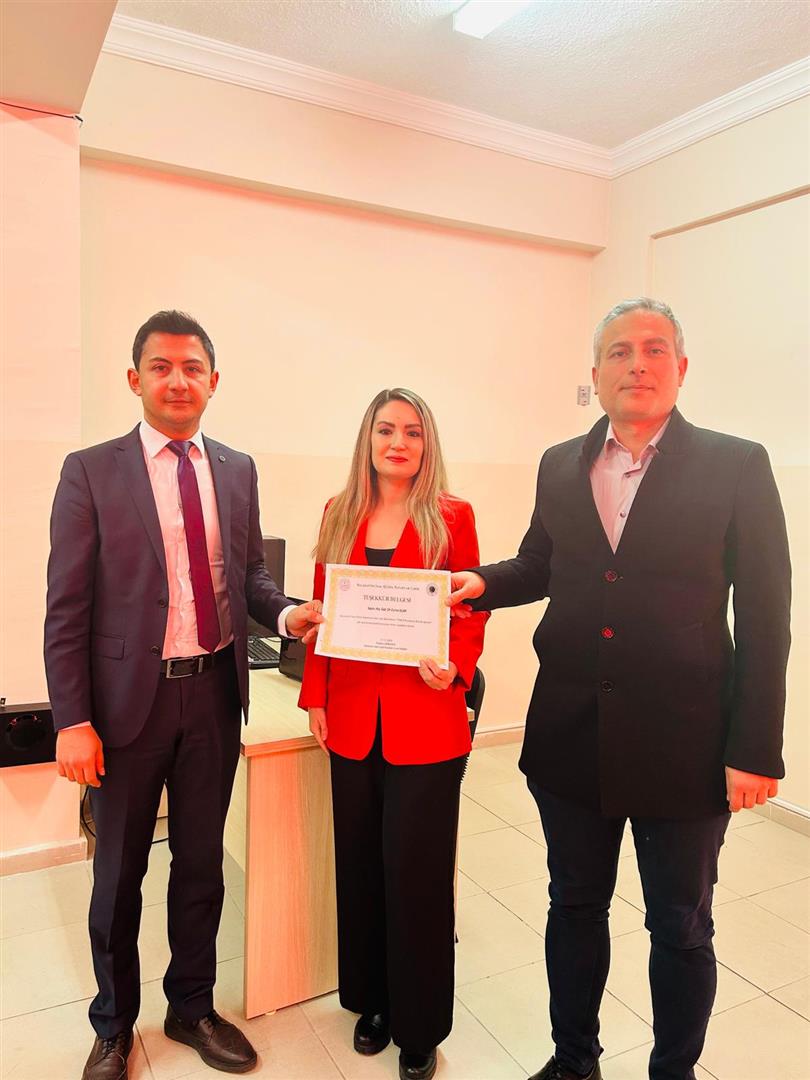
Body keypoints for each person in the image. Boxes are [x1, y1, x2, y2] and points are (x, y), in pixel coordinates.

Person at [448, 298, 791, 1080]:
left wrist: (754, 748)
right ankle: (575, 1062)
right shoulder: (559, 463)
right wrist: (478, 583)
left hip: (687, 745)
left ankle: (673, 1072)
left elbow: (767, 613)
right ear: (596, 373)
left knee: (680, 925)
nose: (637, 363)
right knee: (573, 905)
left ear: (681, 367)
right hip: (570, 735)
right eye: (619, 351)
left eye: (655, 349)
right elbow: (540, 564)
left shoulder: (737, 464)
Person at [45, 310, 322, 1080]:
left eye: (192, 367)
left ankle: (191, 1007)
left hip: (212, 698)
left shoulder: (236, 468)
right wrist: (72, 720)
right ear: (135, 379)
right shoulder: (90, 471)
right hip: (124, 708)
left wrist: (286, 613)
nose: (178, 380)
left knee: (201, 864)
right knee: (118, 875)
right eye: (161, 367)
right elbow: (66, 607)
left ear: (213, 381)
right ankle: (113, 1024)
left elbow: (250, 575)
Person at [298, 388, 488, 1080]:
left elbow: (471, 610)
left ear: (426, 442)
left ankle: (420, 1024)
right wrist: (315, 694)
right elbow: (321, 611)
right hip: (352, 716)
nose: (398, 443)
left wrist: (456, 665)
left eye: (412, 431)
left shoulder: (452, 516)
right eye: (386, 430)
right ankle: (372, 1002)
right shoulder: (338, 511)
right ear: (368, 440)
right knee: (361, 866)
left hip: (425, 720)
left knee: (418, 874)